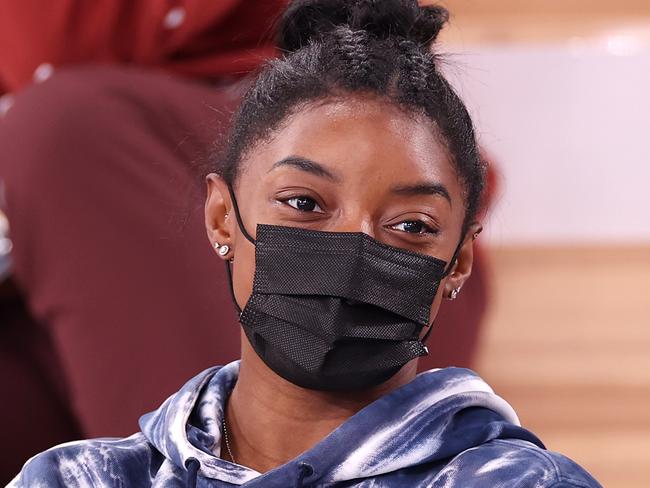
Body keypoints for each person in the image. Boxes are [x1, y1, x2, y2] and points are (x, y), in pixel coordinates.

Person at [9, 1, 601, 486]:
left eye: (411, 226)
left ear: (458, 259)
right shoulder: (70, 476)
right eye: (305, 205)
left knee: (62, 126)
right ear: (220, 217)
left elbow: (52, 47)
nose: (349, 253)